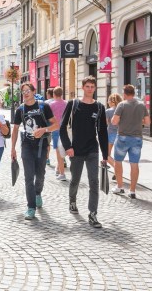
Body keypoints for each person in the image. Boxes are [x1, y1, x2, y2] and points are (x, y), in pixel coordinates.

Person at [59, 76, 109, 228]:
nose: (90, 89)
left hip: (92, 149)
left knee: (94, 182)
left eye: (92, 87)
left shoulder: (99, 107)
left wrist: (105, 155)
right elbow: (62, 127)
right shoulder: (73, 104)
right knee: (75, 179)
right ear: (83, 88)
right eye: (87, 86)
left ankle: (92, 214)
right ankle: (72, 200)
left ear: (95, 88)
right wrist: (68, 147)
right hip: (76, 149)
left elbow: (102, 132)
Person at [11, 83, 58, 220]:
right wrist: (13, 148)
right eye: (23, 91)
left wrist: (44, 129)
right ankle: (31, 207)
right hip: (27, 144)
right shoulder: (20, 109)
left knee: (40, 174)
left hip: (42, 145)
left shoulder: (43, 106)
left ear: (33, 92)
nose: (25, 93)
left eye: (27, 91)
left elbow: (56, 125)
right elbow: (15, 130)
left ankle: (38, 193)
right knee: (28, 177)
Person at [111, 84, 150, 199]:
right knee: (134, 164)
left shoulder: (121, 105)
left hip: (123, 137)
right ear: (134, 93)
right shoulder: (141, 105)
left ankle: (120, 186)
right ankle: (132, 191)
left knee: (118, 162)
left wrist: (123, 120)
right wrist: (138, 122)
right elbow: (147, 122)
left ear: (124, 94)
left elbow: (114, 121)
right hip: (137, 138)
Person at [48, 87, 68, 181]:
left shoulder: (51, 105)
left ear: (54, 95)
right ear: (62, 94)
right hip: (65, 129)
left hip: (56, 129)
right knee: (63, 149)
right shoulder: (67, 103)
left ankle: (62, 173)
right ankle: (58, 169)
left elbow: (49, 118)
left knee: (59, 152)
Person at [105, 94, 123, 172]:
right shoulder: (122, 110)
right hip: (121, 134)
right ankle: (117, 172)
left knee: (106, 154)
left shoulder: (108, 111)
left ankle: (117, 170)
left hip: (110, 134)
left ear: (112, 101)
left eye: (108, 100)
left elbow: (105, 123)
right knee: (118, 157)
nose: (108, 102)